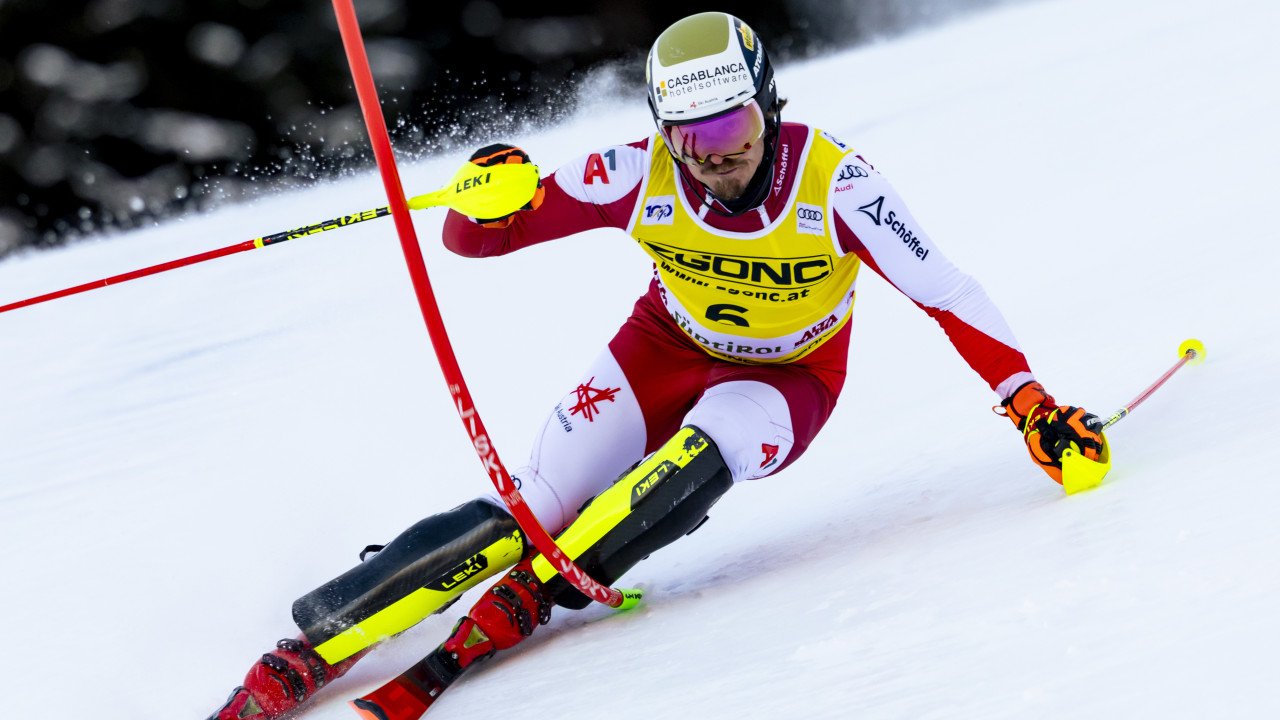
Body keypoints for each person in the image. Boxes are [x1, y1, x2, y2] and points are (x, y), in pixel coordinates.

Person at [208, 11, 1104, 719]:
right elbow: (474, 239)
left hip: (784, 382)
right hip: (657, 355)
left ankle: (533, 596)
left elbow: (944, 289)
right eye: (689, 130)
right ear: (660, 128)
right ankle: (329, 634)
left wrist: (1031, 405)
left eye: (731, 120)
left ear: (767, 104)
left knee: (697, 456)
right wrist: (490, 192)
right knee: (530, 509)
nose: (715, 151)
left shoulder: (836, 183)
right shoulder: (636, 173)